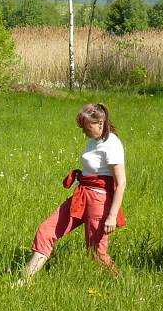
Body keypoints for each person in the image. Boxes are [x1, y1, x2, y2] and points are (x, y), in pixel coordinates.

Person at [18, 103, 127, 285]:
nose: (84, 131)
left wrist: (112, 216)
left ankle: (122, 285)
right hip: (82, 196)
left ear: (100, 122)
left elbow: (121, 182)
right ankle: (25, 281)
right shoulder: (93, 140)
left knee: (96, 254)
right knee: (46, 230)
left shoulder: (112, 144)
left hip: (100, 201)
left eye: (86, 127)